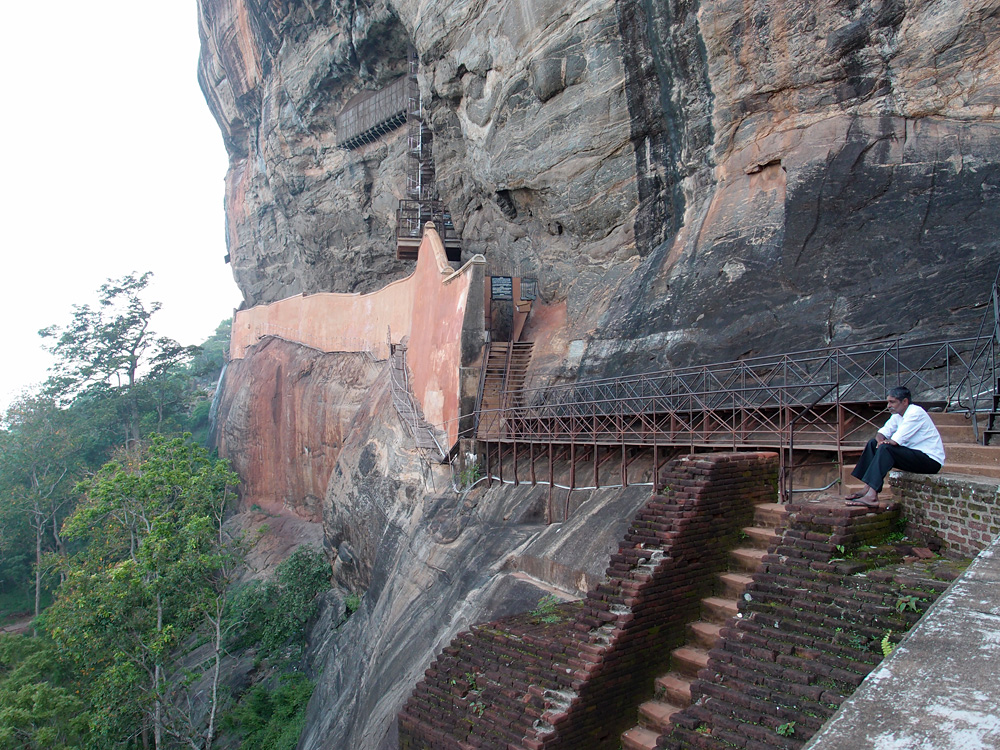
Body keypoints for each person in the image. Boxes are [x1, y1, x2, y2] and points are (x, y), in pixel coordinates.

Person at [846, 386, 945, 507]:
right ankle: (867, 488)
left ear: (904, 401)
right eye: (888, 402)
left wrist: (883, 443)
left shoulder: (915, 413)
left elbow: (895, 441)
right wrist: (879, 440)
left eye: (892, 402)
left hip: (930, 461)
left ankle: (872, 496)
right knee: (873, 444)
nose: (888, 406)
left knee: (886, 448)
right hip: (912, 455)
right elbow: (882, 433)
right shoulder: (897, 415)